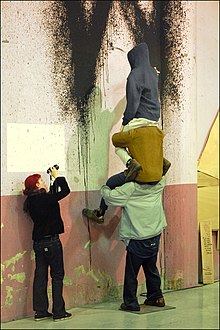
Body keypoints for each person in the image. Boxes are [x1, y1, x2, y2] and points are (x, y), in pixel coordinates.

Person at [99, 161, 171, 311]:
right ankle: (157, 297)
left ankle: (131, 303)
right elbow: (164, 166)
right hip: (155, 233)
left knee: (132, 272)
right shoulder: (158, 185)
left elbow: (110, 197)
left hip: (138, 236)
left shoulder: (130, 188)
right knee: (151, 267)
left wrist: (105, 188)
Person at [23, 166, 72, 321]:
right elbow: (65, 191)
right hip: (52, 241)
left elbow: (49, 198)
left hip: (38, 242)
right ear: (37, 185)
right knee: (57, 276)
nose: (43, 182)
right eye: (41, 181)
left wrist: (51, 182)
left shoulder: (30, 201)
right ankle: (59, 311)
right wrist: (57, 176)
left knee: (40, 276)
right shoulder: (45, 199)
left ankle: (40, 311)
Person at [115, 42, 162, 181]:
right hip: (154, 121)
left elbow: (133, 104)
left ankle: (130, 164)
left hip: (140, 120)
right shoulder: (153, 73)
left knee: (117, 143)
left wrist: (124, 122)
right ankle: (162, 162)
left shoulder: (134, 75)